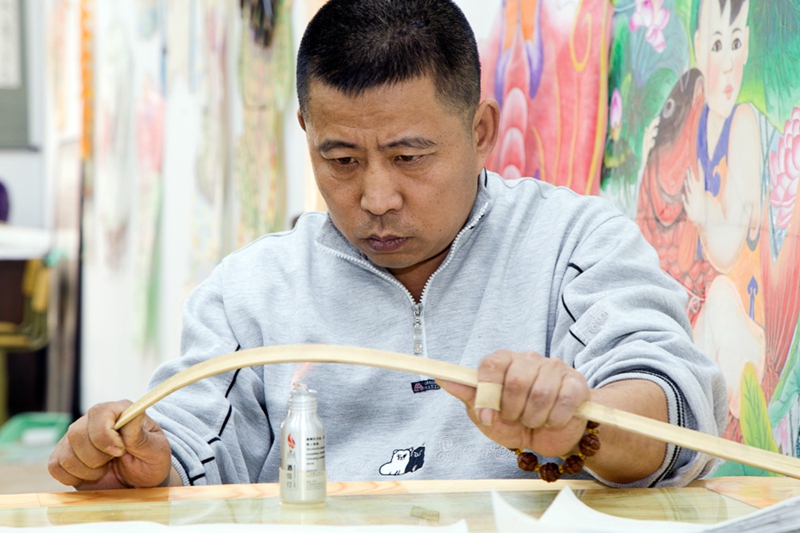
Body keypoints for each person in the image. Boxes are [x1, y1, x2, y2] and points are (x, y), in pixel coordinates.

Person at [49, 0, 726, 490]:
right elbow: (191, 446)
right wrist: (140, 465)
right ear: (306, 131)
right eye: (341, 159)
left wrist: (583, 426)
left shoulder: (572, 243)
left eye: (409, 157)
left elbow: (675, 410)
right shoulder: (249, 292)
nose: (376, 198)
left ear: (481, 131)